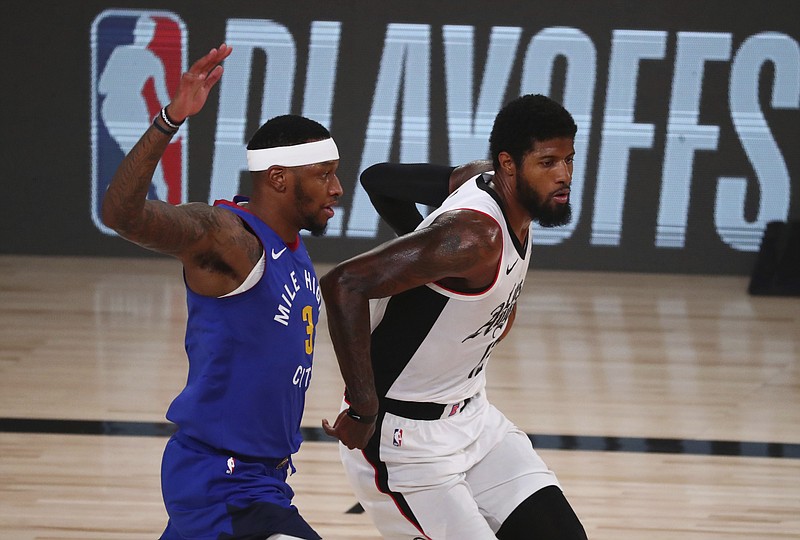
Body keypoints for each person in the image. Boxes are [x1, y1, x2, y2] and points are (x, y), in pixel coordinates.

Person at [102, 43, 343, 540]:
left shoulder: (292, 247)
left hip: (262, 476)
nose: (337, 188)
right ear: (278, 178)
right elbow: (123, 216)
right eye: (324, 175)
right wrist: (170, 119)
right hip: (223, 478)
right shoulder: (230, 240)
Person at [320, 94, 587, 539]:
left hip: (475, 419)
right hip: (406, 442)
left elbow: (378, 178)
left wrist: (427, 263)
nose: (564, 176)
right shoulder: (470, 238)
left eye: (568, 160)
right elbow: (344, 284)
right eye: (548, 163)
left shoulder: (483, 185)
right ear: (508, 164)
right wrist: (364, 408)